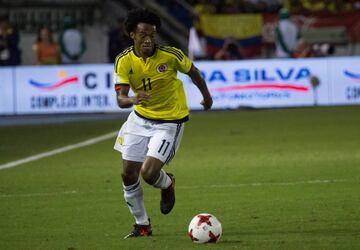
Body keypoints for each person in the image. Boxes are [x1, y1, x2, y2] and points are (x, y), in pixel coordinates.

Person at [113, 8, 213, 238]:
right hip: (139, 119)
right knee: (128, 174)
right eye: (142, 35)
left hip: (169, 121)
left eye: (151, 34)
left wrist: (206, 96)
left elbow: (194, 73)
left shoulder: (171, 55)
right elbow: (120, 99)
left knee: (148, 174)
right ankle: (142, 225)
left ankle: (167, 184)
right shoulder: (124, 60)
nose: (148, 39)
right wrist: (131, 99)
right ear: (132, 35)